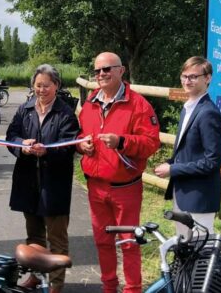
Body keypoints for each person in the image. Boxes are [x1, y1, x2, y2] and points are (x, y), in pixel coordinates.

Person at [76, 52, 160, 293]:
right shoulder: (91, 102)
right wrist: (82, 144)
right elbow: (81, 134)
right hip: (96, 186)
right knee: (102, 242)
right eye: (97, 71)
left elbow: (151, 143)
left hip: (126, 188)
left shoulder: (138, 104)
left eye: (107, 69)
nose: (101, 74)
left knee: (129, 242)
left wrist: (122, 141)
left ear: (121, 71)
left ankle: (133, 289)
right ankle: (109, 287)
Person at [6, 64, 79, 293]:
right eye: (38, 85)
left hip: (54, 183)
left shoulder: (65, 113)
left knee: (57, 238)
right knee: (34, 235)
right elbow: (11, 136)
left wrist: (47, 151)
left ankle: (56, 285)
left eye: (46, 85)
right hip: (28, 182)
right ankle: (36, 277)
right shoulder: (25, 109)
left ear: (56, 86)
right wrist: (22, 146)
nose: (41, 90)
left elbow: (69, 148)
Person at [154, 56, 221, 236]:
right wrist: (171, 162)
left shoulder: (208, 113)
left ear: (207, 78)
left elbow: (212, 162)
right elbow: (187, 151)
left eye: (193, 77)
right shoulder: (188, 108)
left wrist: (173, 168)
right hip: (183, 192)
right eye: (184, 76)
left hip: (200, 197)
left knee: (200, 250)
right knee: (184, 246)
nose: (187, 81)